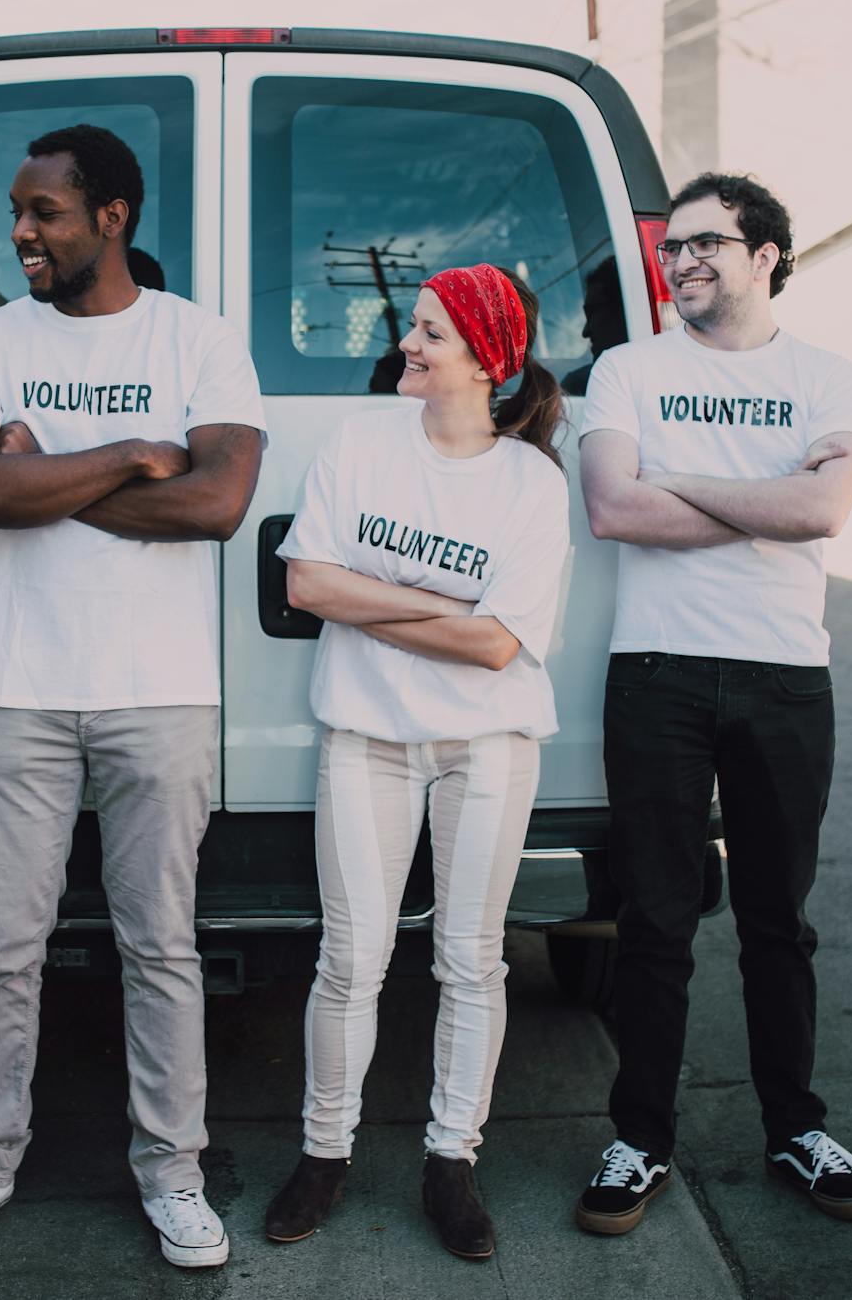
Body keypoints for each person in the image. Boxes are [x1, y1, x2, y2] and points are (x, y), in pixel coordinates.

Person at [0, 124, 265, 1269]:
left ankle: (172, 1175)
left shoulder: (198, 340)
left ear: (111, 216)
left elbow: (215, 506)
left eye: (42, 212)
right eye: (16, 211)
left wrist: (39, 473)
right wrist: (124, 453)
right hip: (15, 690)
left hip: (158, 695)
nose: (18, 231)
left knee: (159, 944)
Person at [573, 173, 852, 1233]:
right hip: (655, 671)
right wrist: (765, 493)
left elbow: (822, 508)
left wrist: (689, 478)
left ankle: (794, 1128)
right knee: (653, 921)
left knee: (774, 922)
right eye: (672, 249)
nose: (681, 262)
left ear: (766, 255)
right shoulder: (627, 369)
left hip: (783, 673)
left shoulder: (828, 376)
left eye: (707, 243)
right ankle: (637, 1142)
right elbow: (614, 508)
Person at [264, 264, 572, 1261]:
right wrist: (449, 613)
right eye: (415, 326)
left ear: (485, 361)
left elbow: (497, 651)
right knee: (350, 962)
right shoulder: (361, 442)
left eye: (431, 332)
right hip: (365, 738)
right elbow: (307, 582)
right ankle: (322, 1156)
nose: (408, 342)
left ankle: (452, 1161)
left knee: (469, 963)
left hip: (486, 748)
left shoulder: (529, 483)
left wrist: (378, 594)